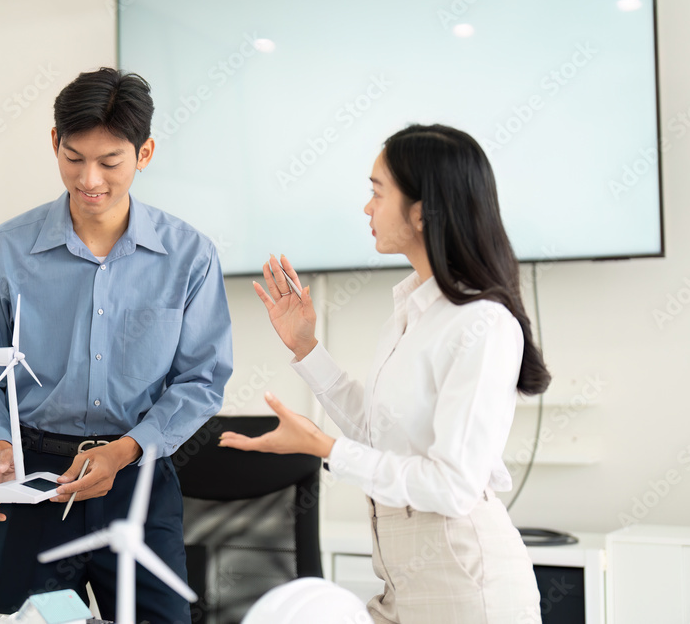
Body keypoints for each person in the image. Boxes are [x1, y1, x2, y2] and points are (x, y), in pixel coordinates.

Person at [219, 124, 548, 623]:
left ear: (421, 211)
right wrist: (306, 348)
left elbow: (453, 486)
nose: (366, 208)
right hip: (401, 583)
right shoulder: (410, 309)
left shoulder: (482, 323)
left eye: (377, 192)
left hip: (466, 586)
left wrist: (324, 448)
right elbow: (379, 434)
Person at [0, 67, 233, 622]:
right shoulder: (2, 253)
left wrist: (123, 451)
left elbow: (202, 380)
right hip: (38, 483)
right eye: (74, 158)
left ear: (144, 153)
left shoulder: (189, 255)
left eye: (110, 162)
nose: (90, 179)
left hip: (138, 479)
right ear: (55, 143)